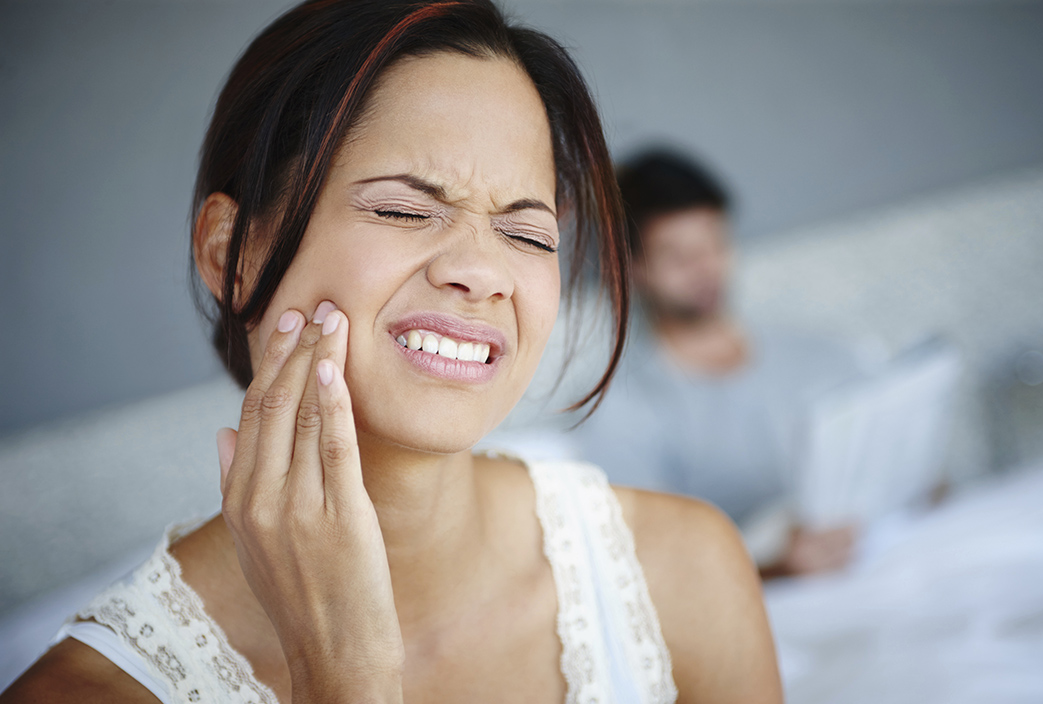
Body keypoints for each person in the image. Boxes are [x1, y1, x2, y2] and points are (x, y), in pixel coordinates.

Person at [2, 3, 781, 703]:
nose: (481, 272)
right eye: (404, 209)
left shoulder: (682, 570)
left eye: (526, 232)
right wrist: (345, 678)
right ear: (230, 254)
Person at [571, 149, 861, 577]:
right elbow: (650, 558)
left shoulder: (822, 355)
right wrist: (777, 569)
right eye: (678, 256)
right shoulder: (625, 407)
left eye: (714, 243)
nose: (705, 268)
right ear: (633, 267)